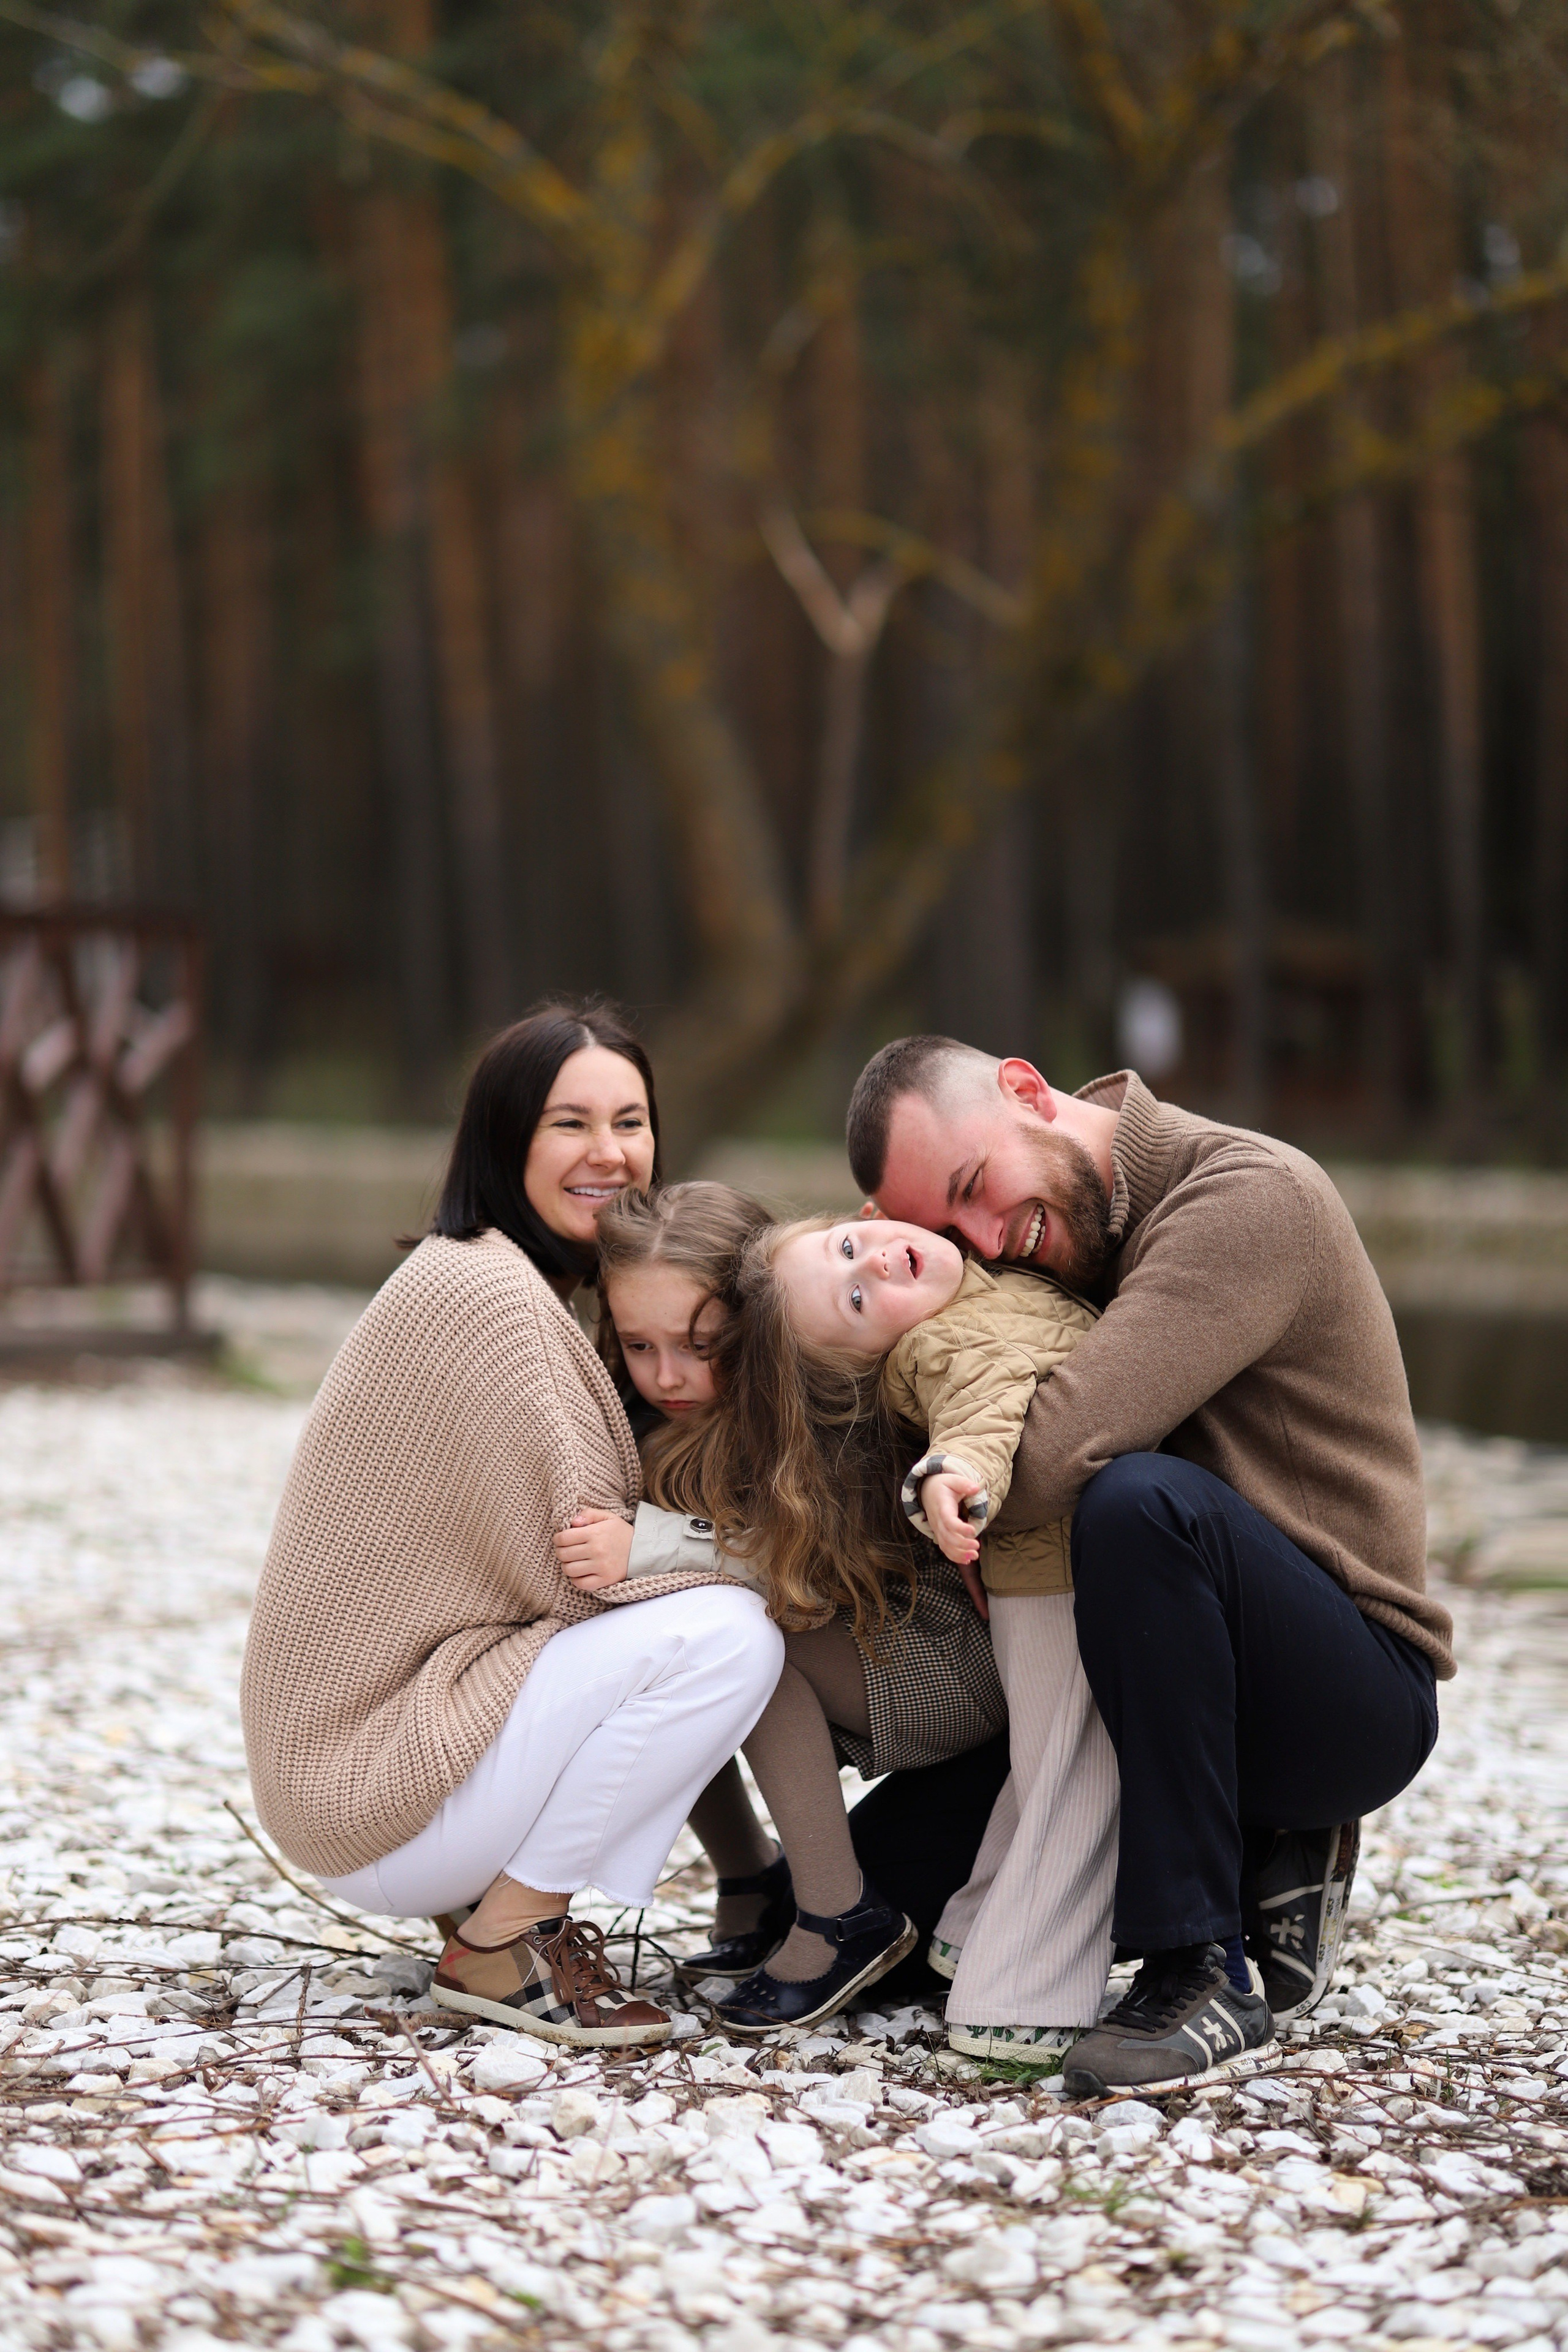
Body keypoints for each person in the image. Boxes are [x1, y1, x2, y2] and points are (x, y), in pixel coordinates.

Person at [848, 1035, 1452, 2092]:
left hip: (1335, 1689)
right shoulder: (1052, 1237)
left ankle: (1200, 1963)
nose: (988, 1244)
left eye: (975, 1188)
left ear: (1027, 1091)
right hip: (1131, 1679)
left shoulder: (1247, 1199)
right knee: (872, 1909)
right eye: (948, 1233)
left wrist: (951, 1489)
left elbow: (1049, 1462)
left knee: (1133, 1503)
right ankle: (1250, 1845)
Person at [239, 1004, 785, 2050]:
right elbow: (593, 1575)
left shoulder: (511, 1280)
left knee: (699, 1613)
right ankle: (507, 1935)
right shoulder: (492, 1298)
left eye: (630, 1122)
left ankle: (550, 1901)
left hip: (372, 1782)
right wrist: (757, 1551)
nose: (609, 1153)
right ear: (504, 1139)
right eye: (568, 1124)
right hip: (372, 1795)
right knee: (730, 1636)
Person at [559, 1180, 1011, 2034]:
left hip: (944, 1659)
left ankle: (840, 1916)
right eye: (640, 1345)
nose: (669, 1375)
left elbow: (799, 1568)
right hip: (857, 1643)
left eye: (701, 1345)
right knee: (663, 1643)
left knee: (734, 1640)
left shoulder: (826, 1399)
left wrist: (654, 1543)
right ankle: (751, 1877)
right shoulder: (656, 1423)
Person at [703, 1207, 1119, 2060]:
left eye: (851, 1247)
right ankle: (834, 1903)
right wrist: (952, 1467)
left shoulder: (969, 1305)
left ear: (863, 1216)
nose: (878, 1266)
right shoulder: (952, 1328)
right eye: (857, 1299)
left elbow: (987, 1393)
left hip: (992, 1645)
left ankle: (849, 1915)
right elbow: (981, 1393)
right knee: (734, 1639)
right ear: (867, 1366)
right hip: (984, 1643)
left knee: (737, 1648)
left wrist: (952, 1469)